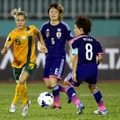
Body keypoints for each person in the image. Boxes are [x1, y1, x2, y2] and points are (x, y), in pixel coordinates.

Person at [1, 8, 47, 116]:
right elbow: (6, 45)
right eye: (18, 20)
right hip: (17, 63)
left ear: (25, 20)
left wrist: (41, 44)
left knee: (21, 80)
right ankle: (26, 103)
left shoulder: (31, 29)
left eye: (22, 20)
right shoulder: (12, 34)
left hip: (30, 61)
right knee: (22, 85)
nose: (20, 22)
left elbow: (39, 33)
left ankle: (14, 103)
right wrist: (5, 49)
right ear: (15, 21)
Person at [64, 16, 108, 115]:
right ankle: (103, 109)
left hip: (81, 68)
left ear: (81, 29)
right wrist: (95, 65)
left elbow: (75, 56)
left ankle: (78, 103)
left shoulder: (76, 41)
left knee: (66, 82)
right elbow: (100, 57)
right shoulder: (95, 41)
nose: (74, 30)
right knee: (93, 87)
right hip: (93, 68)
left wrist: (74, 72)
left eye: (75, 28)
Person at [40, 3, 74, 109]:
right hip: (48, 57)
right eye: (51, 11)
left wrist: (74, 54)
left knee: (53, 81)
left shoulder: (64, 26)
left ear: (59, 14)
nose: (53, 13)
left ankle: (57, 104)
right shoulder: (45, 27)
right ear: (48, 13)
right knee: (48, 84)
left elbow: (71, 41)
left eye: (55, 12)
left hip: (59, 57)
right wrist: (40, 47)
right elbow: (40, 42)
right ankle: (67, 91)